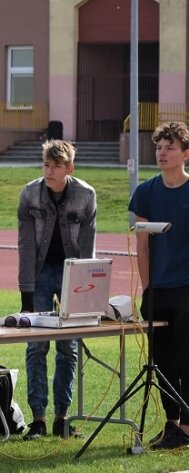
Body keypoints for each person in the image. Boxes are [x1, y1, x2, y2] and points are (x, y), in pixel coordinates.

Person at [17, 140, 97, 440]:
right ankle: (37, 419)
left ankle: (62, 418)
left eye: (56, 166)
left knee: (68, 347)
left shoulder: (86, 195)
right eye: (46, 165)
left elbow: (88, 249)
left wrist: (85, 292)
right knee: (36, 345)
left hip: (72, 275)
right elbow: (25, 245)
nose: (49, 171)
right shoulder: (29, 194)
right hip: (39, 275)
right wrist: (26, 293)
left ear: (69, 168)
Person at [129, 121, 189, 449]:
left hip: (187, 288)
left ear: (185, 154)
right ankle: (172, 425)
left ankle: (188, 428)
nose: (162, 153)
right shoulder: (146, 191)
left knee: (186, 359)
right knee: (161, 361)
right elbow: (141, 245)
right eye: (159, 147)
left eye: (169, 147)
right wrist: (148, 286)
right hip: (158, 290)